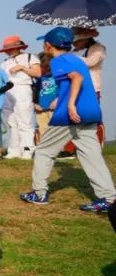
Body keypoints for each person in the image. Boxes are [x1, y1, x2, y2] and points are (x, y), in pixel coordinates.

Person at [20, 27, 115, 213]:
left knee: (43, 151)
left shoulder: (59, 60)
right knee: (91, 155)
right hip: (91, 110)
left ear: (48, 45)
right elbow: (78, 76)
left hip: (70, 114)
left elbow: (76, 78)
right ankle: (109, 198)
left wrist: (70, 104)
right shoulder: (76, 58)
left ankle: (39, 193)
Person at [0, 35, 41, 159]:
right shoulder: (4, 63)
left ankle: (27, 149)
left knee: (25, 120)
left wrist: (22, 67)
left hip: (23, 88)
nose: (8, 50)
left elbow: (37, 73)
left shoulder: (29, 57)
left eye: (11, 48)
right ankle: (14, 149)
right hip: (7, 91)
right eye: (7, 48)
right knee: (11, 121)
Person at [33, 51, 57, 143]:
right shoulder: (39, 78)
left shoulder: (58, 76)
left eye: (49, 68)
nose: (47, 70)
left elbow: (63, 90)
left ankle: (59, 151)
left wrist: (58, 101)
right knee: (42, 130)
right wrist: (35, 104)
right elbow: (34, 92)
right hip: (41, 109)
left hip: (55, 108)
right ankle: (44, 149)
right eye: (44, 67)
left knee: (56, 129)